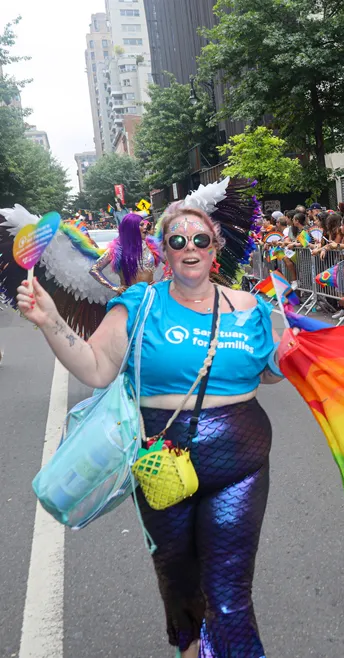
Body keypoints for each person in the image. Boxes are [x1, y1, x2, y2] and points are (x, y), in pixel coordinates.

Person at [16, 203, 285, 657]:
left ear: (214, 248)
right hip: (159, 463)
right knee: (178, 578)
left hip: (240, 465)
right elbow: (96, 367)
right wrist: (50, 320)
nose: (190, 247)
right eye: (178, 241)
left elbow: (269, 372)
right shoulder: (141, 305)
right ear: (164, 251)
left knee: (228, 588)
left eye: (200, 239)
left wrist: (292, 351)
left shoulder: (249, 307)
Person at [90, 213, 163, 295]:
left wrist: (160, 283)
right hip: (129, 297)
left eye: (145, 224)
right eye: (141, 225)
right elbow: (94, 270)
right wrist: (114, 287)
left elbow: (170, 265)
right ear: (131, 228)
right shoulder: (117, 249)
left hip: (150, 295)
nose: (145, 227)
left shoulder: (152, 246)